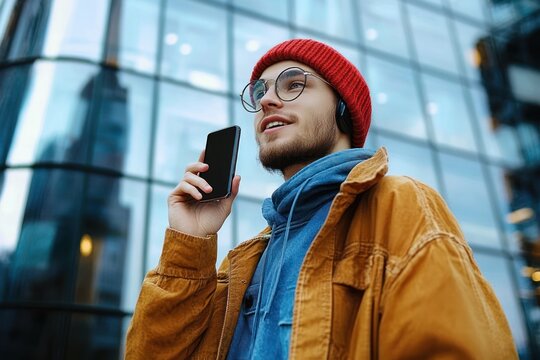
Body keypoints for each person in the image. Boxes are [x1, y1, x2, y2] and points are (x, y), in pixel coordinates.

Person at [125, 39, 517, 359]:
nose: (266, 101)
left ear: (343, 108)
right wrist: (189, 243)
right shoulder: (245, 260)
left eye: (294, 84)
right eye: (260, 91)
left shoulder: (401, 205)